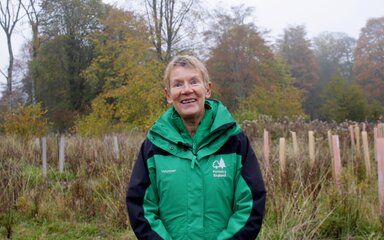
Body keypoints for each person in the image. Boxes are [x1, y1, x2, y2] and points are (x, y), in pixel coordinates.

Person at [126, 55, 266, 240]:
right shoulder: (153, 145)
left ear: (207, 89)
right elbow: (141, 206)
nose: (187, 90)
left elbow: (251, 203)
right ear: (168, 95)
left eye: (193, 81)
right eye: (178, 84)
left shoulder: (235, 141)